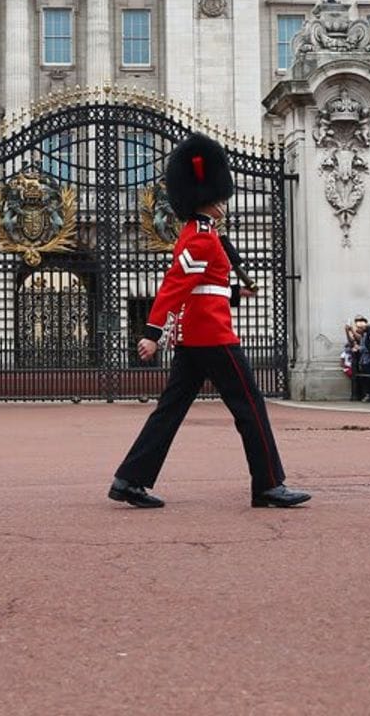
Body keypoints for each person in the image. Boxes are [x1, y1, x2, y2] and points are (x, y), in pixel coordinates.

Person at [108, 133, 311, 510]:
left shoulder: (201, 235)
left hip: (197, 336)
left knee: (170, 411)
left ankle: (130, 479)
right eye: (219, 196)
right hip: (213, 337)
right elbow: (176, 286)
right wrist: (152, 333)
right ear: (208, 198)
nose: (224, 202)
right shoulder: (202, 239)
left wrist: (236, 293)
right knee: (250, 406)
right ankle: (268, 484)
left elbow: (204, 287)